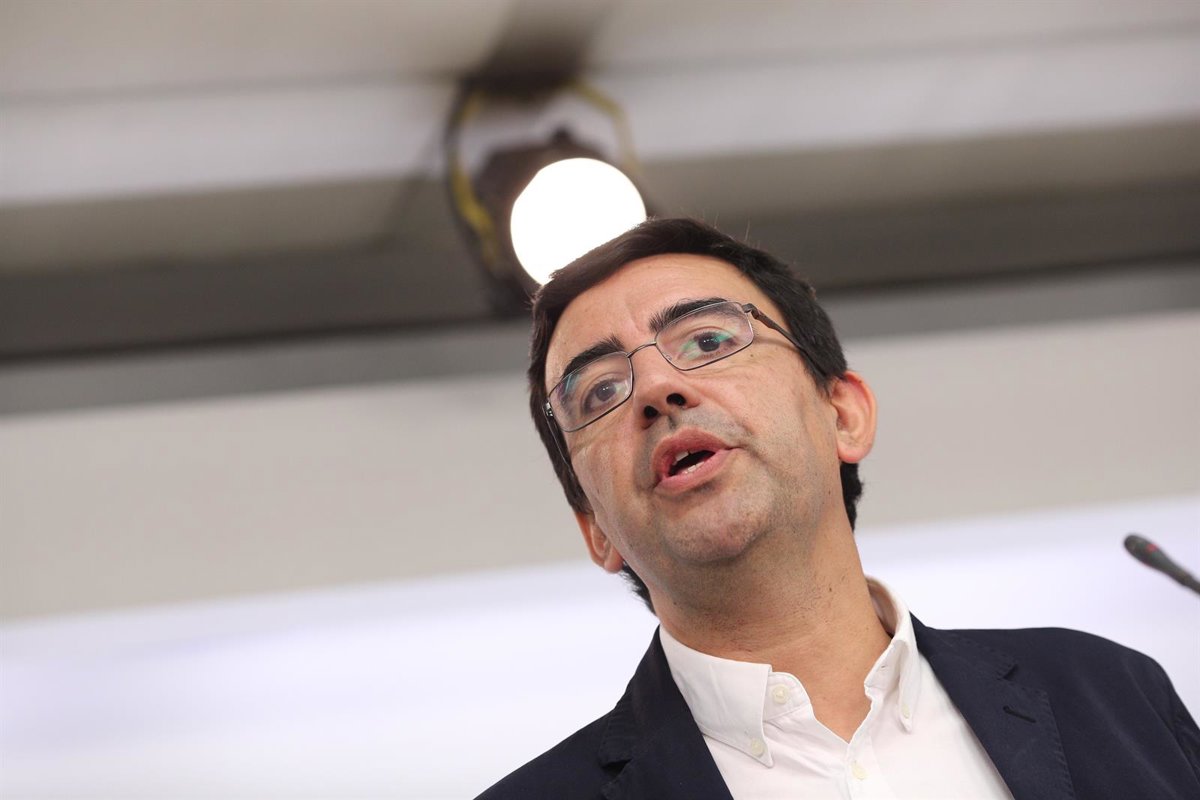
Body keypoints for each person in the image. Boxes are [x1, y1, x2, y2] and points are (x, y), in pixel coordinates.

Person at [477, 218, 1200, 799]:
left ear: (843, 414)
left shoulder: (1109, 695)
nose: (658, 389)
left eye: (708, 340)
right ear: (595, 529)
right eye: (600, 391)